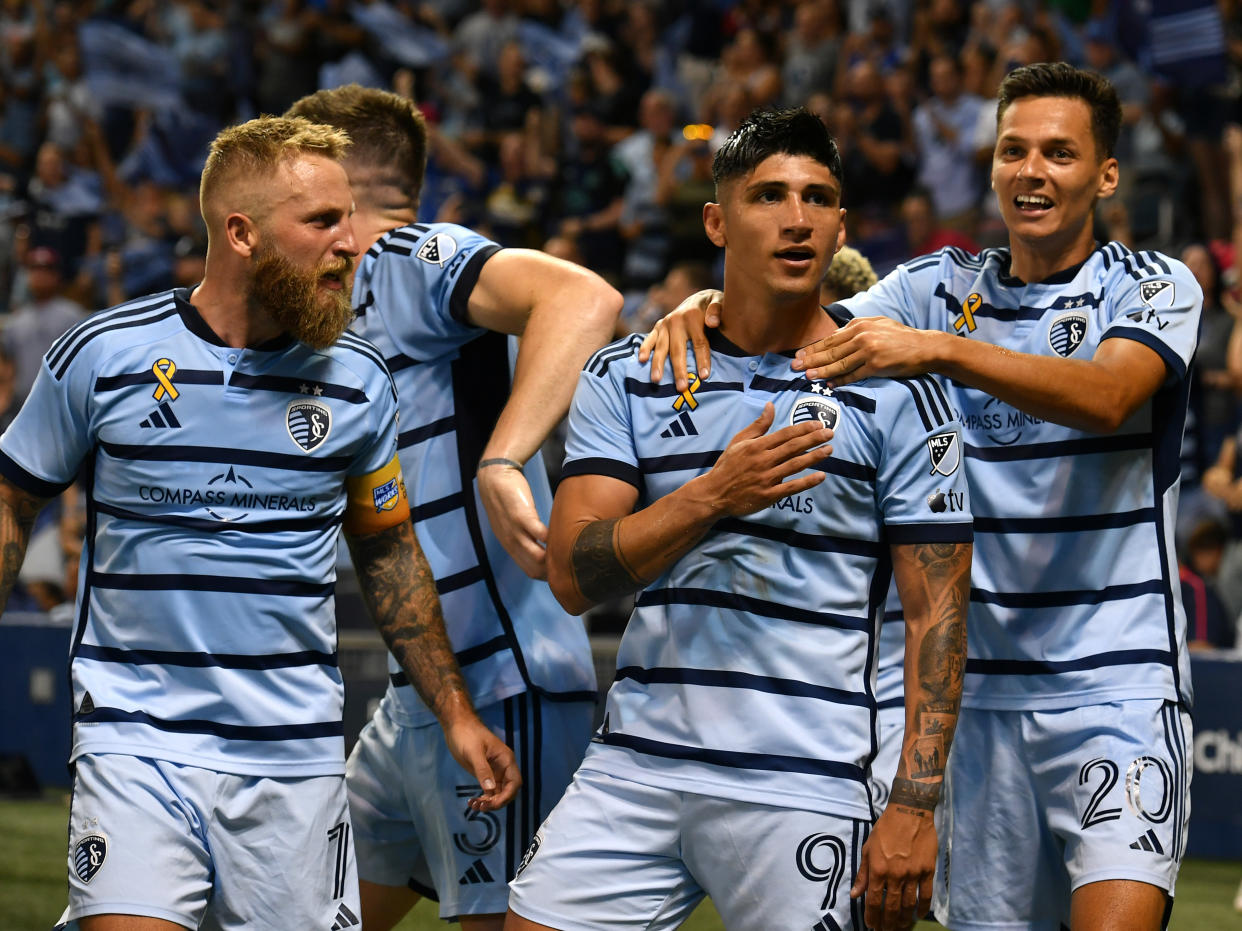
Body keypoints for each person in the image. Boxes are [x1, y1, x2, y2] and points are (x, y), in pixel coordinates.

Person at [647, 62, 1199, 931]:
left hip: (1116, 688)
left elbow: (1107, 396)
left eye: (1060, 152)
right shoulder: (933, 289)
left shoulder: (1154, 285)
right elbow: (800, 323)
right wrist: (709, 304)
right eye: (1014, 149)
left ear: (1105, 175)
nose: (1032, 170)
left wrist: (938, 352)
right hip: (972, 703)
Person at [0, 115, 519, 931]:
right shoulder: (102, 356)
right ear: (241, 233)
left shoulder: (359, 380)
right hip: (138, 741)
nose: (350, 245)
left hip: (298, 760)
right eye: (322, 222)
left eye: (349, 218)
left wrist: (454, 711)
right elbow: (12, 498)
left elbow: (387, 551)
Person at [505, 107, 972, 931]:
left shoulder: (900, 390)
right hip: (633, 770)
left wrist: (915, 801)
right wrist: (710, 495)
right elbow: (573, 577)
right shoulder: (633, 371)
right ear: (717, 219)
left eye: (818, 198)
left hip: (805, 780)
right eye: (768, 196)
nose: (797, 219)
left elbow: (937, 614)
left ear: (839, 226)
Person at [285, 85, 621, 931]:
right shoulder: (349, 297)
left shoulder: (409, 257)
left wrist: (502, 457)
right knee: (298, 912)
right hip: (419, 698)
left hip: (505, 684)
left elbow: (586, 298)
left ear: (341, 182)